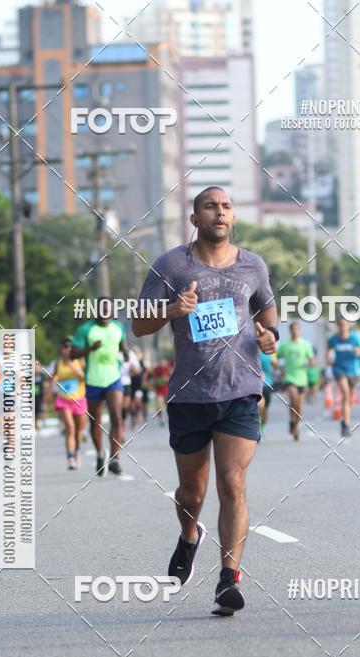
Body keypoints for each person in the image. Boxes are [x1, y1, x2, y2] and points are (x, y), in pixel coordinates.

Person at [132, 185, 278, 616]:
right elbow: (139, 325)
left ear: (233, 218)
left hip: (241, 390)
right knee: (191, 494)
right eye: (210, 206)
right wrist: (173, 311)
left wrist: (270, 338)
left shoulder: (253, 265)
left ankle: (228, 578)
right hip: (190, 395)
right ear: (194, 219)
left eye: (227, 206)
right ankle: (189, 535)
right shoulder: (170, 265)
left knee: (232, 482)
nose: (220, 212)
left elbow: (268, 320)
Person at [71, 302, 129, 476]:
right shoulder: (85, 329)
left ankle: (115, 459)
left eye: (108, 310)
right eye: (101, 310)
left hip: (113, 379)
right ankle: (100, 453)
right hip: (93, 380)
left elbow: (122, 343)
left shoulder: (118, 326)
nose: (105, 313)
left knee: (117, 418)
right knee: (95, 421)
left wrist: (125, 351)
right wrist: (90, 349)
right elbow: (73, 353)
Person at [48, 337, 88, 469]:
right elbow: (54, 378)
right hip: (63, 399)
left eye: (69, 346)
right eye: (65, 346)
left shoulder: (80, 361)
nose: (67, 349)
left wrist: (73, 366)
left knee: (78, 431)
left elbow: (84, 378)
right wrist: (49, 390)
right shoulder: (58, 363)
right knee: (70, 427)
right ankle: (70, 457)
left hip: (79, 399)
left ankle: (77, 452)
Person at [327, 318, 360, 437]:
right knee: (345, 393)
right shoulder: (333, 339)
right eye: (340, 325)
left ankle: (345, 419)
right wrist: (329, 359)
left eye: (345, 325)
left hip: (353, 371)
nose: (342, 327)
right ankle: (346, 424)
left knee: (349, 399)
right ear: (337, 326)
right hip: (339, 369)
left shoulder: (355, 338)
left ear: (348, 326)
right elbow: (328, 354)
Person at [276, 322, 313, 441]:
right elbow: (275, 356)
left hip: (302, 378)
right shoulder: (285, 345)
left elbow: (312, 359)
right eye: (293, 329)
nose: (295, 331)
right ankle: (292, 421)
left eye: (297, 329)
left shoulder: (305, 344)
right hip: (290, 377)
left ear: (300, 331)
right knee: (293, 397)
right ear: (290, 331)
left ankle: (295, 425)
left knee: (298, 406)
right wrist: (280, 368)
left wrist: (310, 363)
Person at [152, 356, 172, 426]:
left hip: (167, 389)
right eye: (159, 362)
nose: (161, 363)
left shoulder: (167, 368)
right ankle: (161, 418)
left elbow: (171, 378)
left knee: (168, 405)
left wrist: (166, 379)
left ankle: (168, 417)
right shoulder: (156, 369)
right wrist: (156, 381)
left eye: (162, 362)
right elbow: (153, 380)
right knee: (159, 404)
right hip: (159, 390)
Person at [258, 348, 275, 431]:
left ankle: (262, 426)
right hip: (256, 386)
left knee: (265, 409)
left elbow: (275, 364)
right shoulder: (248, 353)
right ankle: (257, 425)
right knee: (260, 405)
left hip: (267, 384)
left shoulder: (268, 354)